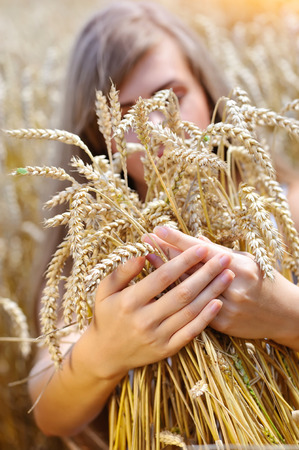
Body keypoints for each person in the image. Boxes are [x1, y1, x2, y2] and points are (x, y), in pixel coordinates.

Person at [28, 0, 299, 445]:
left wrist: (286, 313)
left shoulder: (286, 207)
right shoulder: (100, 250)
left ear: (208, 91)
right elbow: (50, 412)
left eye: (172, 97)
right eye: (129, 113)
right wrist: (102, 352)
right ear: (98, 137)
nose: (155, 126)